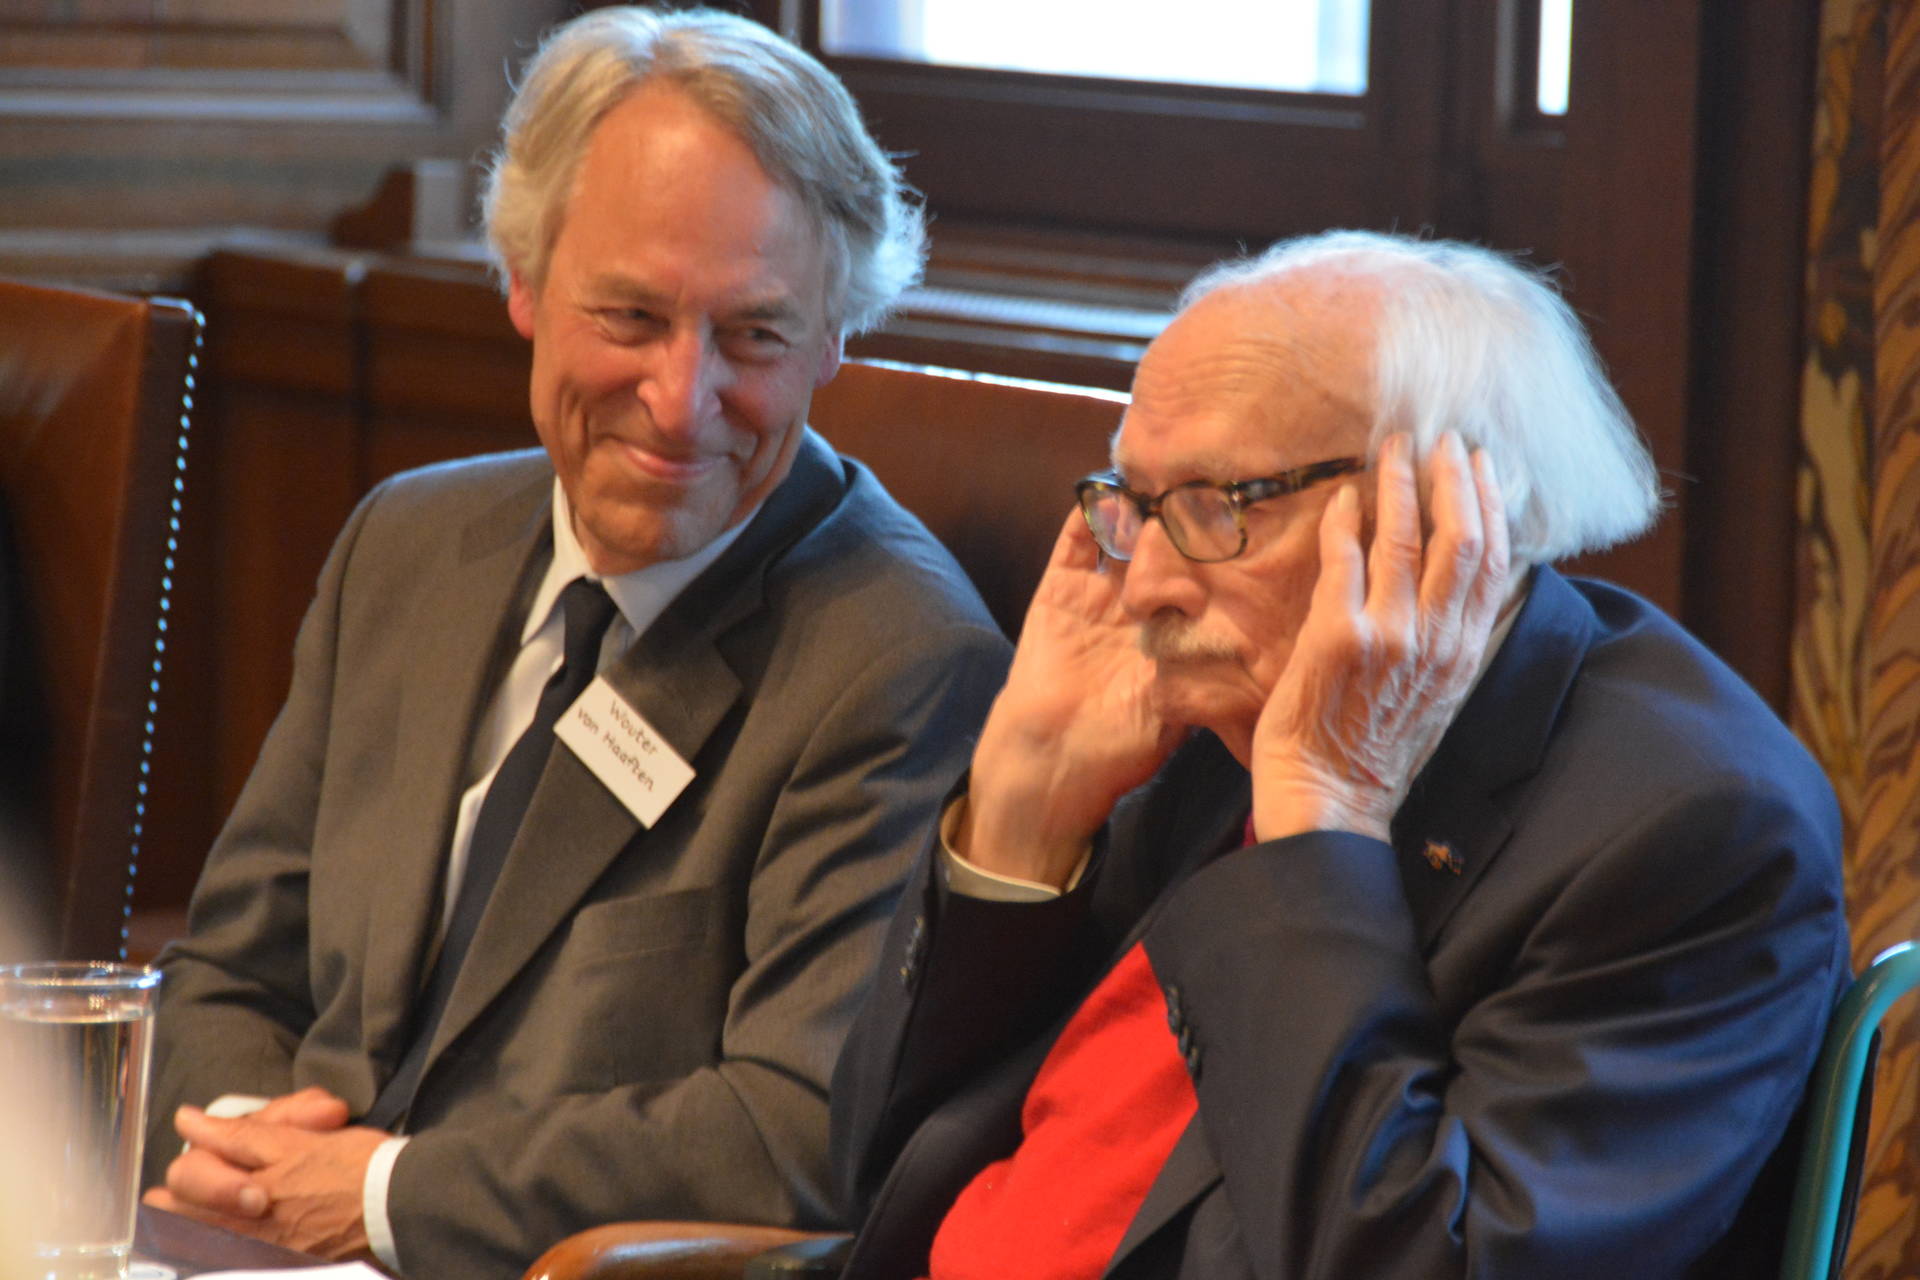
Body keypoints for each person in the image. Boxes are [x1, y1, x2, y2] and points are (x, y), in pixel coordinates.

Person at [140, 8, 1010, 1275]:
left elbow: (788, 1132)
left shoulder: (899, 661)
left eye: (755, 334)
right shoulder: (406, 542)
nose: (682, 401)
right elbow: (227, 970)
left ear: (835, 336)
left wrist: (378, 1194)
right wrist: (254, 1162)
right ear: (524, 280)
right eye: (632, 315)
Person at [830, 230, 1850, 1279]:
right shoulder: (1208, 708)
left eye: (1219, 505)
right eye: (1137, 504)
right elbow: (869, 1174)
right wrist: (1023, 815)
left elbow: (1414, 1265)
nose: (1146, 588)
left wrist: (1323, 817)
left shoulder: (1699, 833)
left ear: (1447, 510)